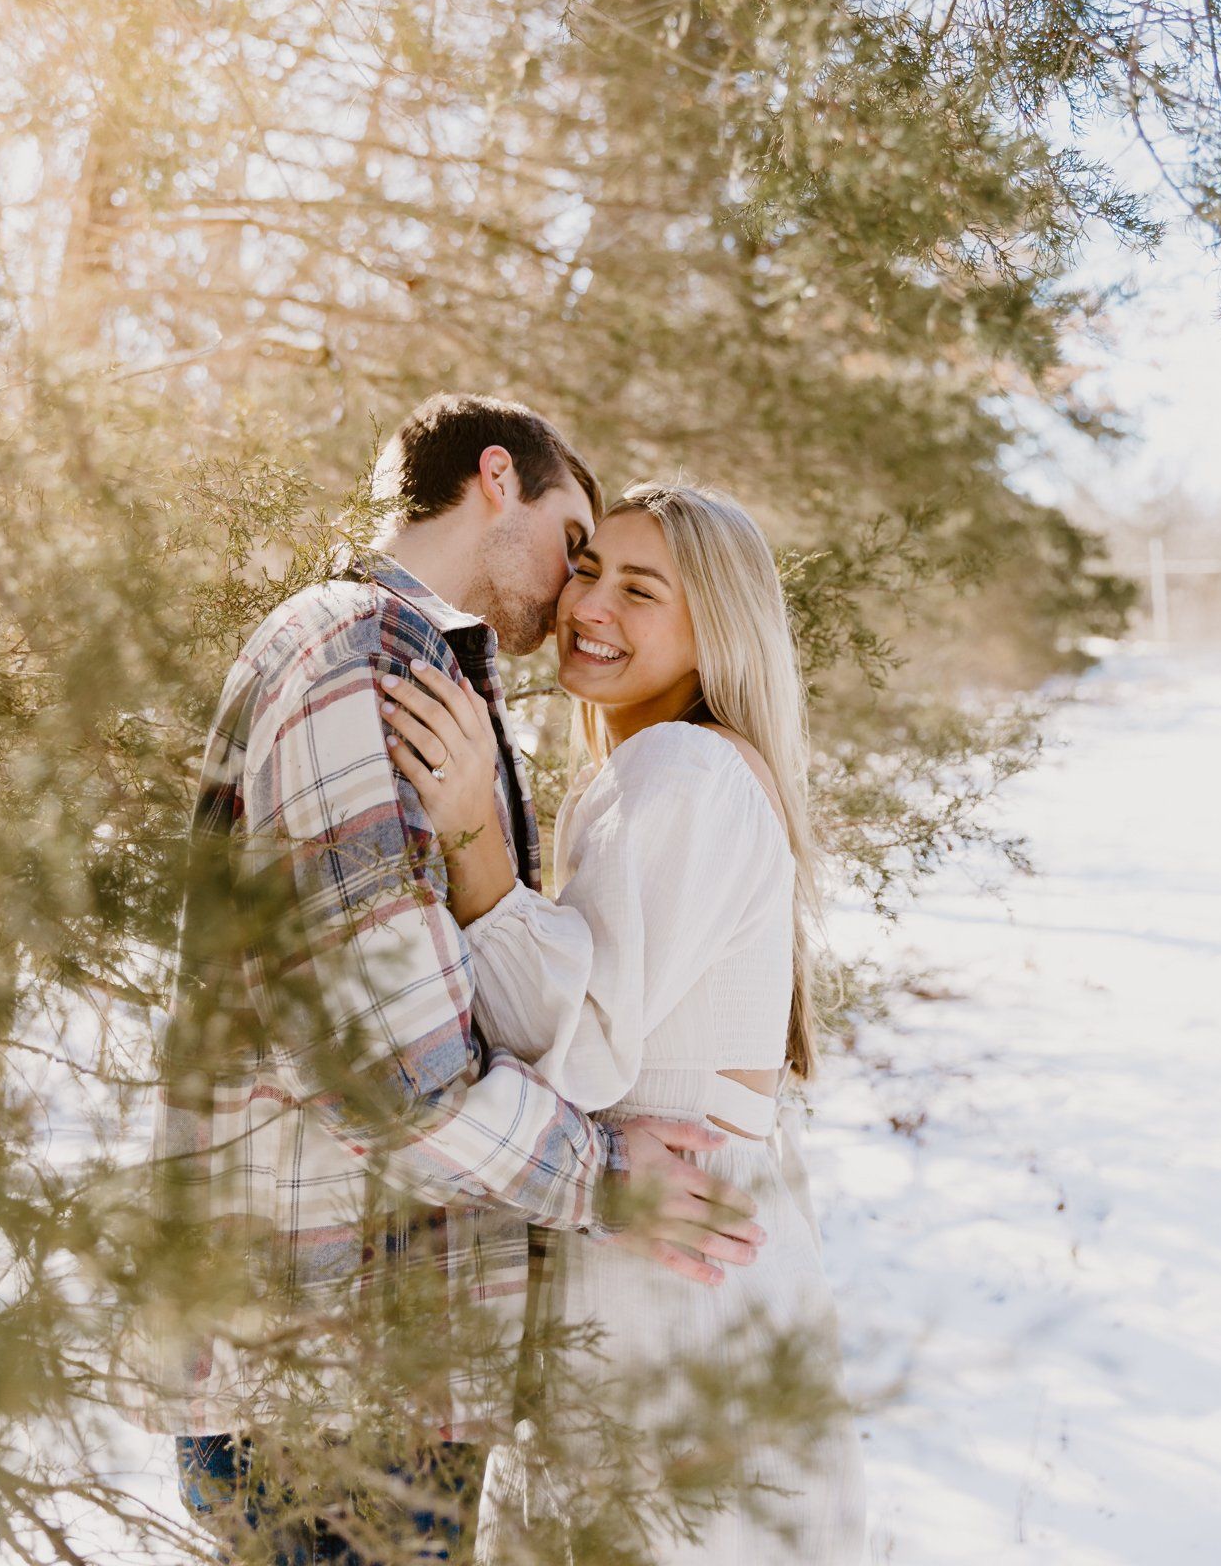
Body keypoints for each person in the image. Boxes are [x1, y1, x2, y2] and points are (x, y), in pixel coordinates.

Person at [141, 396, 765, 1564]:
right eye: (575, 542)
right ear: (496, 478)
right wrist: (600, 1173)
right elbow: (394, 1073)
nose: (577, 593)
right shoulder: (356, 653)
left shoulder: (405, 667)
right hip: (333, 1377)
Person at [379, 481, 867, 1564]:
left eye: (640, 588)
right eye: (589, 567)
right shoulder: (660, 766)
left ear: (715, 627)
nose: (589, 603)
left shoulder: (681, 767)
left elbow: (587, 1047)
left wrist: (474, 845)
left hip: (669, 1257)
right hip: (679, 1232)